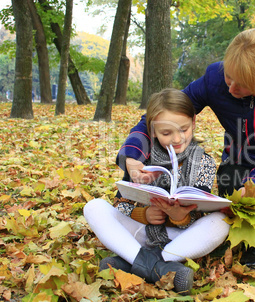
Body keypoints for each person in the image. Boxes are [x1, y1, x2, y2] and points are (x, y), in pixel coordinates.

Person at [116, 28, 255, 267]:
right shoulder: (214, 77)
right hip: (238, 164)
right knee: (231, 179)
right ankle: (240, 231)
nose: (231, 89)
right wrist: (132, 155)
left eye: (242, 85)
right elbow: (163, 115)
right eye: (229, 77)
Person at [84, 88, 230, 294]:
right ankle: (160, 268)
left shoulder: (204, 161)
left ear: (194, 123)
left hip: (178, 238)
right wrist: (143, 214)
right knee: (94, 207)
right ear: (153, 131)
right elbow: (121, 204)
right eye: (166, 133)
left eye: (184, 129)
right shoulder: (141, 159)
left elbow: (200, 210)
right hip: (140, 232)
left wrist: (180, 217)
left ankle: (133, 261)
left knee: (220, 223)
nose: (177, 138)